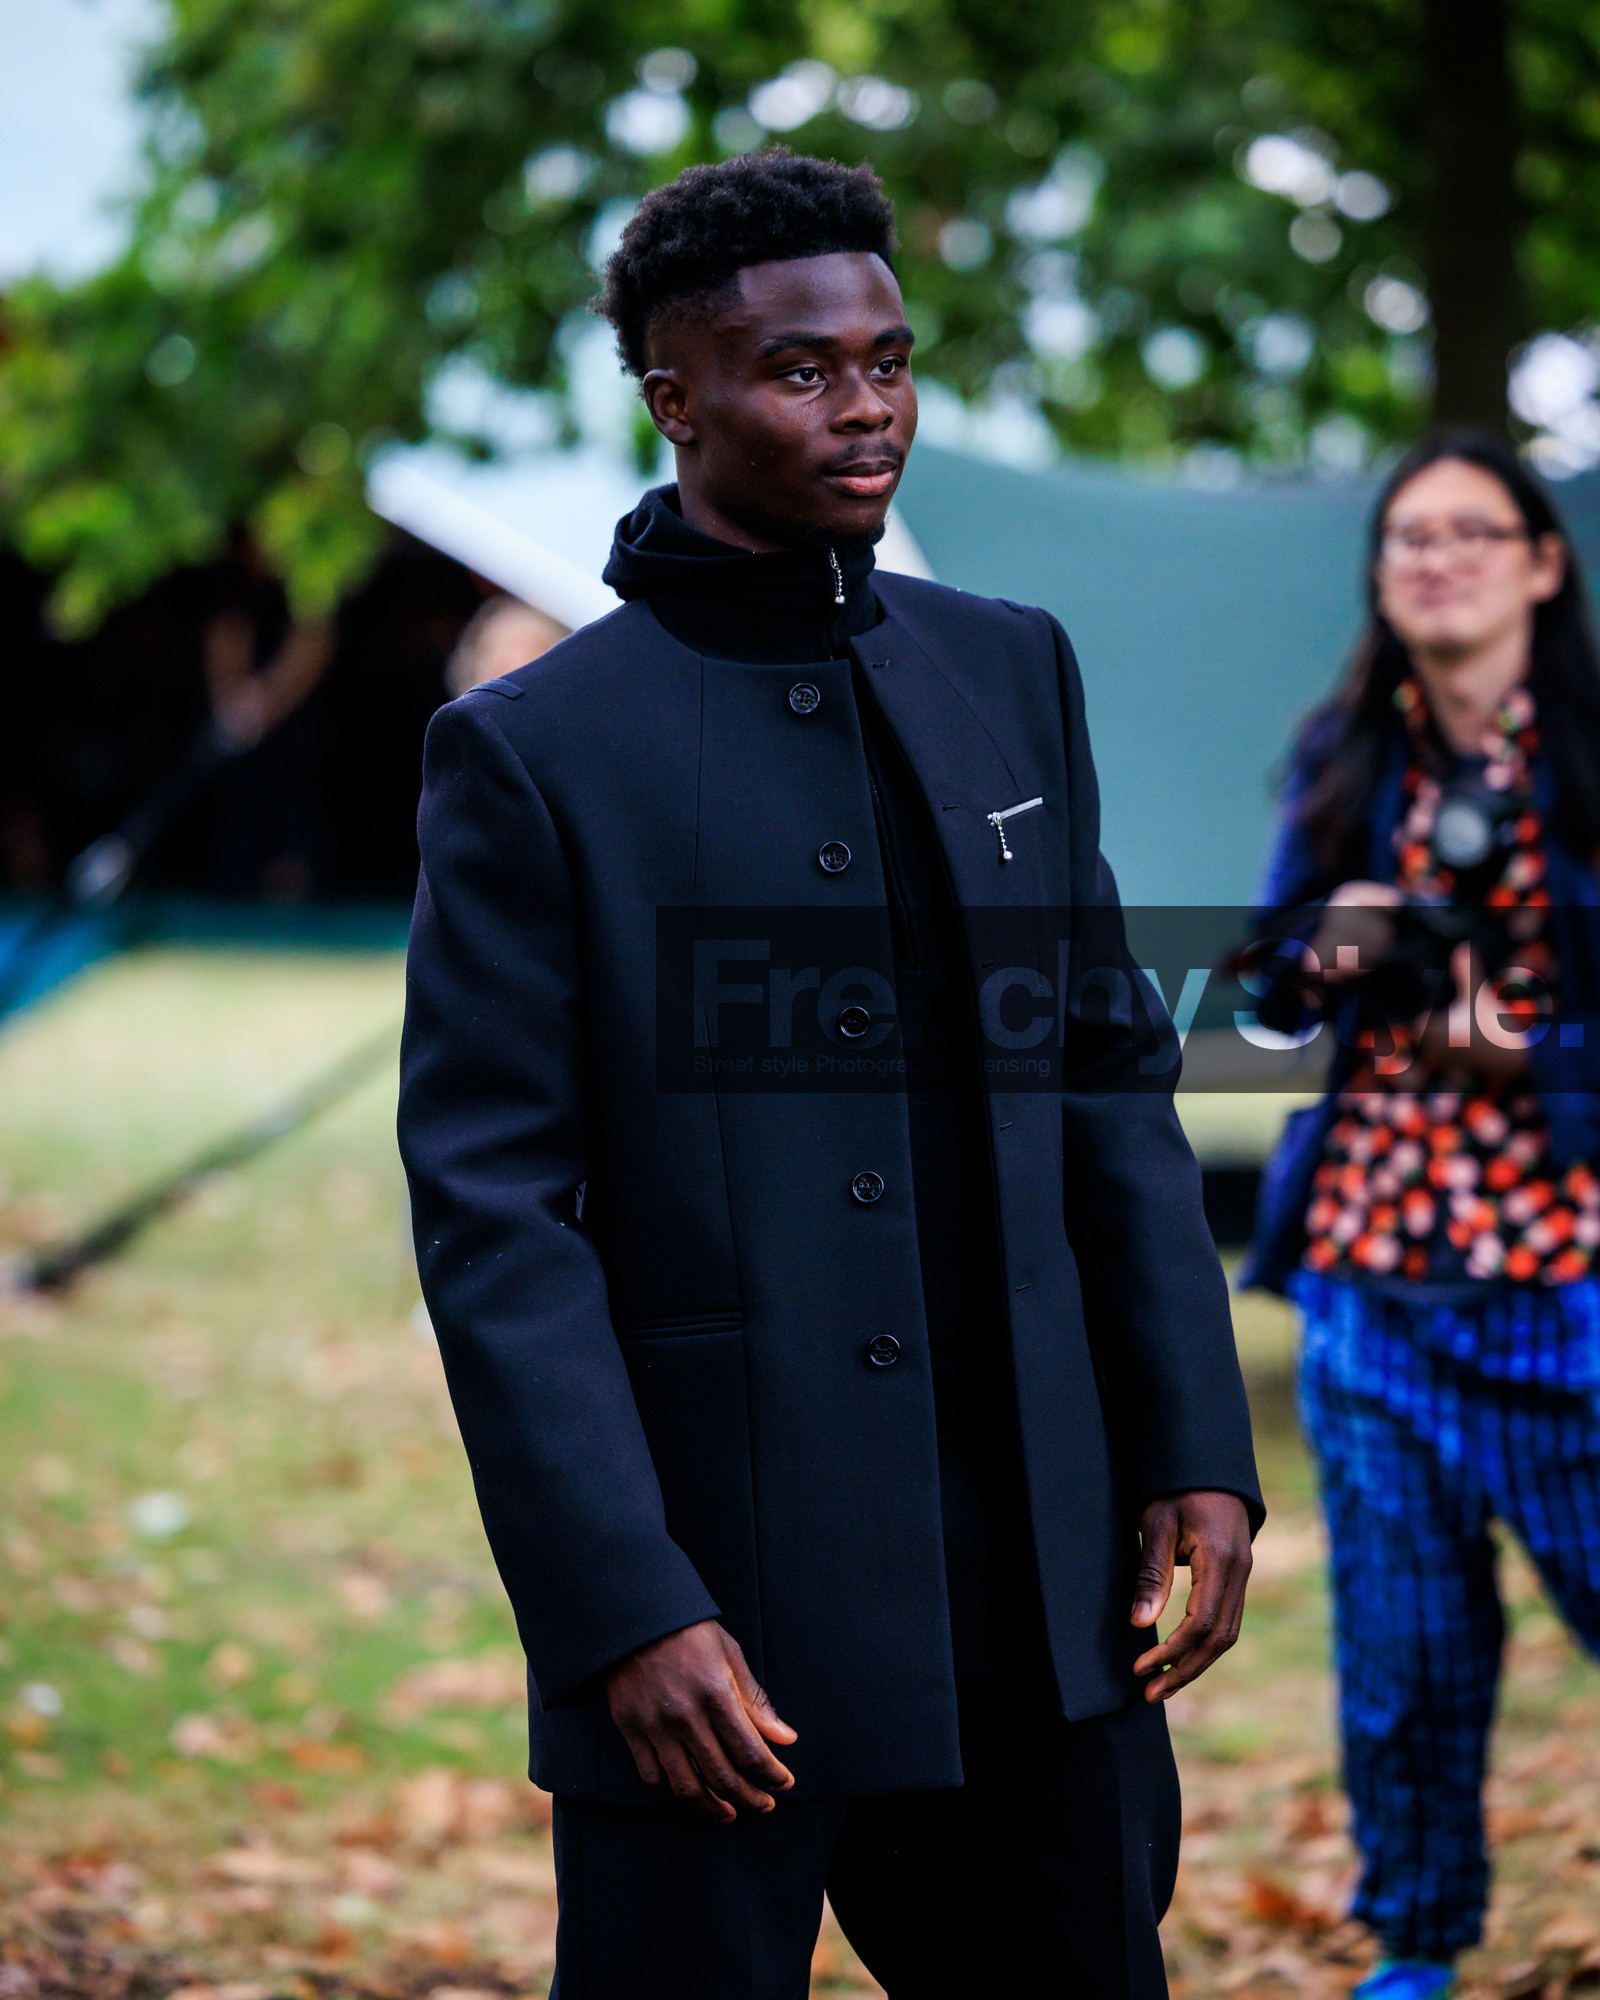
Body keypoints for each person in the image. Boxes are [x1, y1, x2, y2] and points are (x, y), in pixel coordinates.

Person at [399, 148, 1261, 1999]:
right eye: (803, 370)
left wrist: (1194, 1436)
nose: (866, 408)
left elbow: (1107, 1075)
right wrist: (628, 1606)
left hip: (1045, 1610)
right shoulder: (534, 754)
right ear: (675, 398)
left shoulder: (1012, 668)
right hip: (723, 1632)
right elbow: (495, 1221)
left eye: (889, 359)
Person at [1243, 431, 1600, 2000]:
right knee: (1403, 1661)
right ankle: (1420, 1947)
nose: (1435, 560)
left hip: (1572, 1279)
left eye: (1471, 533)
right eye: (1407, 540)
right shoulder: (1344, 760)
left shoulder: (1592, 760)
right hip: (1371, 1283)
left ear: (1542, 562)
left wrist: (1526, 1045)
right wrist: (1327, 944)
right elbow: (1249, 1003)